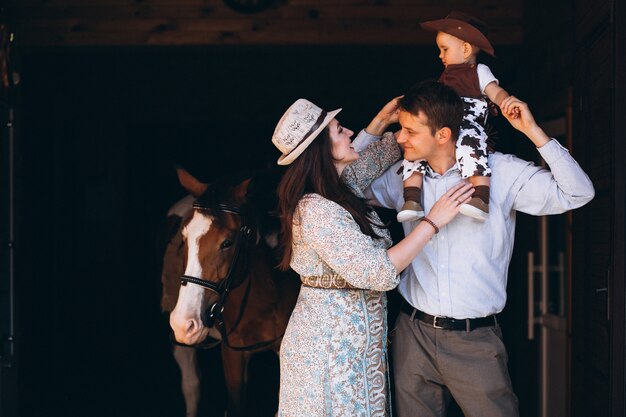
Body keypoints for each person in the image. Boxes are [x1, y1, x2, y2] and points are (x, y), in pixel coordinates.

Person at [357, 80, 594, 417]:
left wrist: (532, 130)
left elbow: (578, 193)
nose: (398, 138)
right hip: (413, 335)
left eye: (409, 130)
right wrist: (375, 126)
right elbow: (341, 187)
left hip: (475, 342)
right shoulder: (401, 177)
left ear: (442, 135)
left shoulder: (502, 172)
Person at [271, 97, 474, 417]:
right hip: (328, 352)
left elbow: (372, 159)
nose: (349, 132)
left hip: (349, 349)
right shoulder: (316, 210)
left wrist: (385, 122)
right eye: (339, 131)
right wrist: (432, 221)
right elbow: (377, 271)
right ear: (321, 151)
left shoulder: (336, 190)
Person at [397, 11, 519, 223]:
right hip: (446, 123)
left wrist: (505, 101)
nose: (440, 55)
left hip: (469, 124)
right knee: (416, 151)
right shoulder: (444, 77)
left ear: (465, 49)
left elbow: (494, 92)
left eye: (444, 49)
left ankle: (480, 197)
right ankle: (412, 199)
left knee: (471, 145)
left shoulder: (479, 71)